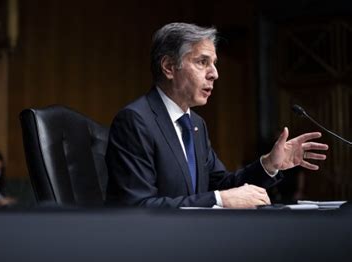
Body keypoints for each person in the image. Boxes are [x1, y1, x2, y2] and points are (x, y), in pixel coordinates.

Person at [105, 23, 328, 208]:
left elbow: (222, 184)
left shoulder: (195, 124)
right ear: (169, 67)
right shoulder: (136, 121)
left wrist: (269, 164)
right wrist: (219, 200)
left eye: (214, 64)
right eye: (203, 62)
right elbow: (137, 206)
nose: (215, 74)